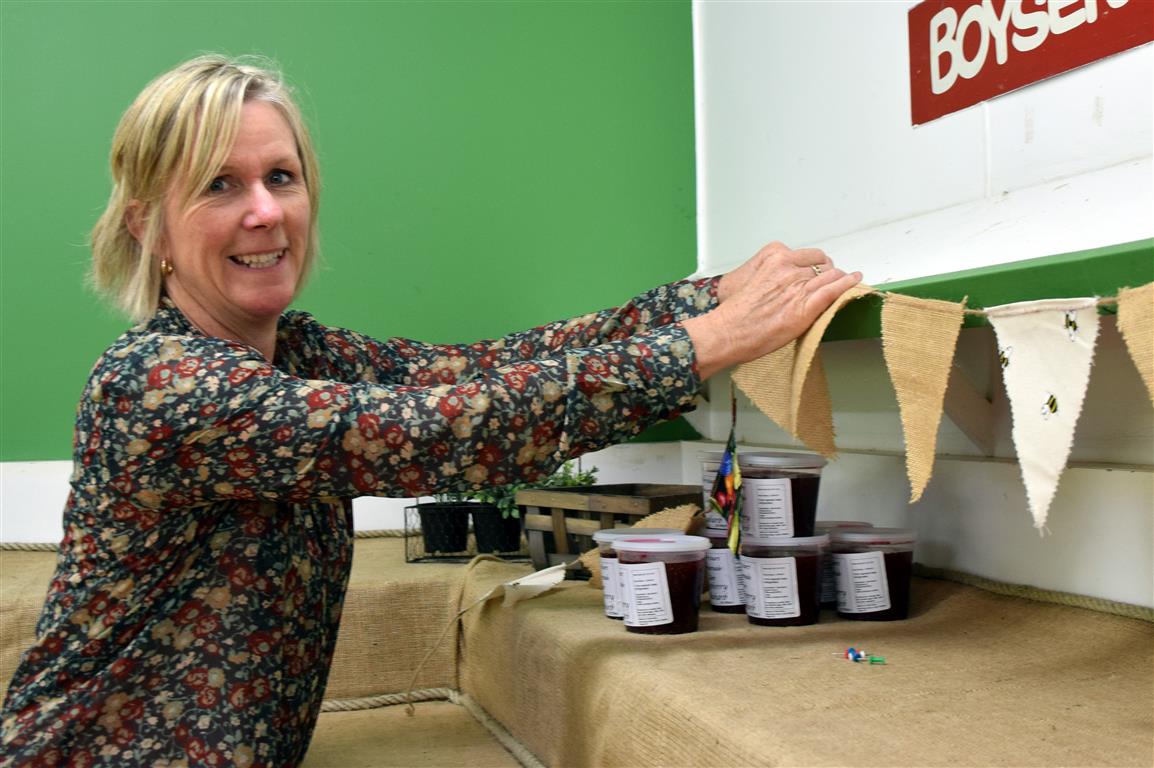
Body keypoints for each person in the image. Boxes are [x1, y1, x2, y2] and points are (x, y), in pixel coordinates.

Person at [0, 55, 860, 766]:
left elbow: (482, 371)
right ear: (149, 226)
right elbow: (442, 435)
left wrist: (704, 298)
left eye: (281, 176)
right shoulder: (157, 384)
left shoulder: (298, 353)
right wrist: (703, 343)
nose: (265, 211)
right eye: (219, 184)